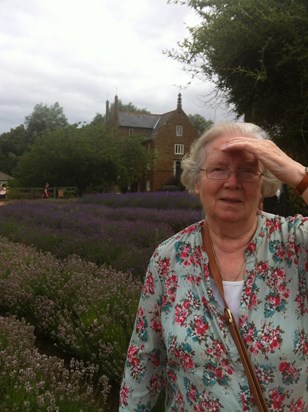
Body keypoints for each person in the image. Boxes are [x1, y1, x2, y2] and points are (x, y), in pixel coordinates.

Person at [119, 122, 307, 411]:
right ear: (197, 182)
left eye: (247, 170)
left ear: (265, 184)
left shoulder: (296, 244)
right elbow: (144, 363)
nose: (232, 182)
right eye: (218, 169)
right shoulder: (169, 258)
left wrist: (298, 175)